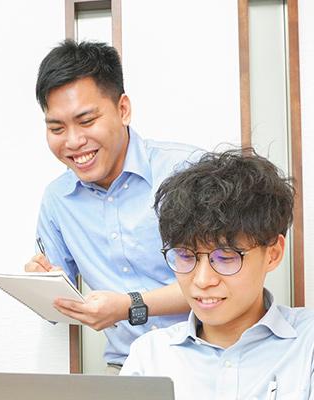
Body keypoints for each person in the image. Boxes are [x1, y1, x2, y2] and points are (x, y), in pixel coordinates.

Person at [120, 149, 314, 399]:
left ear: (273, 253)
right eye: (186, 256)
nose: (202, 280)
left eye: (226, 257)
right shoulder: (150, 356)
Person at [24, 39, 201, 373]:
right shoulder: (57, 200)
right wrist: (42, 286)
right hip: (126, 367)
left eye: (86, 121)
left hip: (209, 356)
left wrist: (128, 306)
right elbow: (57, 308)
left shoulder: (185, 171)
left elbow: (224, 281)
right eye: (57, 128)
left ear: (123, 110)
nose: (73, 142)